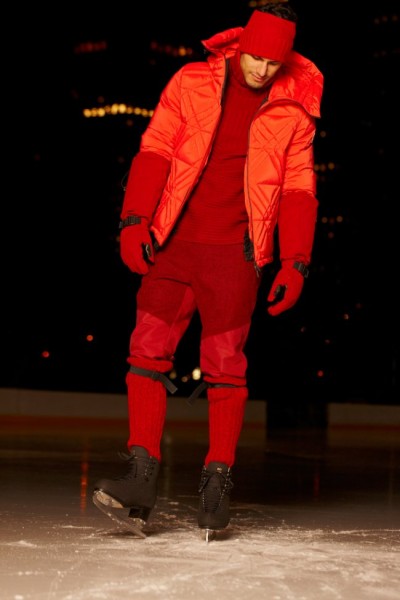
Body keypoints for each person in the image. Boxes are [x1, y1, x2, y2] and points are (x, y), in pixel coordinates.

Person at [93, 2, 324, 538]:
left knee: (225, 368)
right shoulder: (191, 82)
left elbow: (299, 187)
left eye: (274, 61)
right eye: (256, 57)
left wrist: (296, 261)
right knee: (145, 353)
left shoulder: (295, 110)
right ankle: (140, 479)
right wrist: (134, 219)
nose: (262, 69)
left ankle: (216, 487)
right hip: (173, 244)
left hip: (234, 256)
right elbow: (155, 147)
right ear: (242, 45)